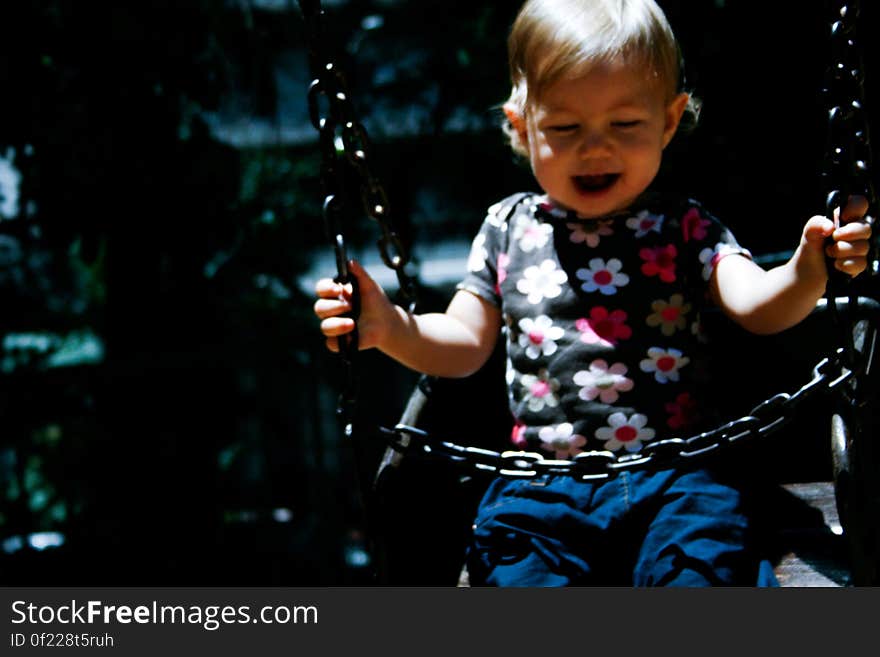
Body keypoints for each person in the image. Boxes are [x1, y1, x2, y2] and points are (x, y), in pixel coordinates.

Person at [313, 0, 872, 586]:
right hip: (541, 489)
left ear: (670, 120)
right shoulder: (506, 230)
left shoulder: (685, 227)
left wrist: (812, 269)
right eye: (564, 128)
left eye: (625, 124)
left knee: (702, 566)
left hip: (676, 476)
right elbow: (463, 342)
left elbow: (758, 306)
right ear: (521, 126)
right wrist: (390, 328)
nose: (595, 147)